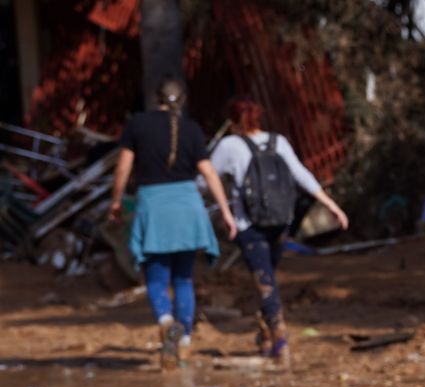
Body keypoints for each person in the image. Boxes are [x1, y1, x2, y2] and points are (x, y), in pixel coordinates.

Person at [209, 96, 349, 365]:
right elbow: (302, 175)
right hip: (280, 222)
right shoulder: (278, 142)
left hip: (248, 226)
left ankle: (279, 337)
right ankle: (266, 334)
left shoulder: (229, 145)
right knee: (269, 277)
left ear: (233, 121)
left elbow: (206, 177)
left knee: (265, 282)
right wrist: (332, 205)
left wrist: (220, 208)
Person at [110, 78, 236, 369]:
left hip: (154, 208)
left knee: (156, 278)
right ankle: (185, 341)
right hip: (188, 207)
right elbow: (209, 174)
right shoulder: (191, 129)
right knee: (184, 278)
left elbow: (124, 166)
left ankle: (166, 321)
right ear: (183, 100)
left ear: (156, 99)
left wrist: (116, 200)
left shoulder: (138, 125)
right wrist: (226, 212)